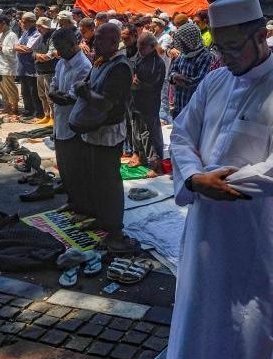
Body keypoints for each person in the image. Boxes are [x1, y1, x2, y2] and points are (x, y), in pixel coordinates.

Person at [165, 0, 273, 359]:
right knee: (198, 323)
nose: (226, 56)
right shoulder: (215, 81)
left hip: (255, 238)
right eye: (220, 46)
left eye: (233, 47)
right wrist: (196, 179)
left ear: (261, 36)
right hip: (205, 233)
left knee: (248, 336)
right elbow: (182, 134)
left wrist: (219, 185)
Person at [71, 23, 142, 253]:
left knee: (108, 182)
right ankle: (102, 219)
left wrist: (85, 92)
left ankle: (115, 231)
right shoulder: (102, 62)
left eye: (100, 40)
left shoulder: (121, 67)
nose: (94, 43)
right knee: (94, 178)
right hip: (94, 129)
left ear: (114, 43)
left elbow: (107, 103)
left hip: (108, 132)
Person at [47, 27, 91, 210]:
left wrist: (56, 95)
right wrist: (52, 92)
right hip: (60, 119)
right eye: (56, 47)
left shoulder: (84, 66)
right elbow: (54, 83)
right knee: (63, 161)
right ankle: (68, 189)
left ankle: (77, 202)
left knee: (74, 166)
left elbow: (71, 97)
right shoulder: (61, 62)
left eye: (61, 47)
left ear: (73, 45)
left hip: (74, 123)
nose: (58, 52)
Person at [129, 32, 167, 173]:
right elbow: (132, 71)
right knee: (136, 132)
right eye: (139, 46)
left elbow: (155, 86)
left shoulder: (158, 63)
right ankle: (140, 156)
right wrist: (131, 79)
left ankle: (156, 163)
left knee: (150, 134)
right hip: (135, 102)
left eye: (143, 47)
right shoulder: (139, 57)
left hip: (149, 104)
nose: (140, 49)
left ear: (152, 46)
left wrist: (138, 85)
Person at [167, 22, 216, 119]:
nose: (181, 45)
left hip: (196, 111)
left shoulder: (206, 57)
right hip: (179, 108)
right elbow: (171, 73)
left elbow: (199, 83)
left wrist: (180, 78)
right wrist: (175, 77)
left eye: (183, 41)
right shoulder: (183, 55)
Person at [14, 12, 44, 121]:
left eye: (24, 21)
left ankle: (38, 113)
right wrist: (18, 47)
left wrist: (18, 47)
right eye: (22, 21)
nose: (22, 23)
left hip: (31, 67)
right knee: (24, 91)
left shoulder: (36, 33)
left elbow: (27, 49)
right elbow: (17, 45)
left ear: (32, 22)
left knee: (33, 92)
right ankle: (28, 111)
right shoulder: (25, 33)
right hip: (23, 66)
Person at [0, 16, 20, 118]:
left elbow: (13, 51)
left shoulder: (12, 35)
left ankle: (15, 108)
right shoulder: (0, 34)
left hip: (7, 66)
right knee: (1, 89)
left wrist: (1, 47)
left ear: (4, 23)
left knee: (10, 88)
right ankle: (7, 106)